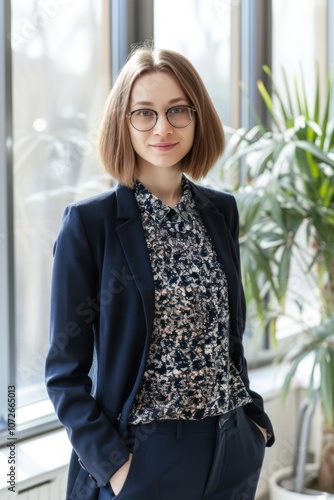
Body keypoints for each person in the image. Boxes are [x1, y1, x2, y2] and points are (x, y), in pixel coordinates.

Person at [45, 45, 274, 500]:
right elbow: (63, 373)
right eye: (144, 113)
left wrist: (254, 422)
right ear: (122, 123)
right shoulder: (91, 224)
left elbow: (230, 335)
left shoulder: (220, 211)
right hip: (143, 459)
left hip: (231, 448)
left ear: (197, 117)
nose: (163, 128)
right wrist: (115, 467)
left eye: (177, 111)